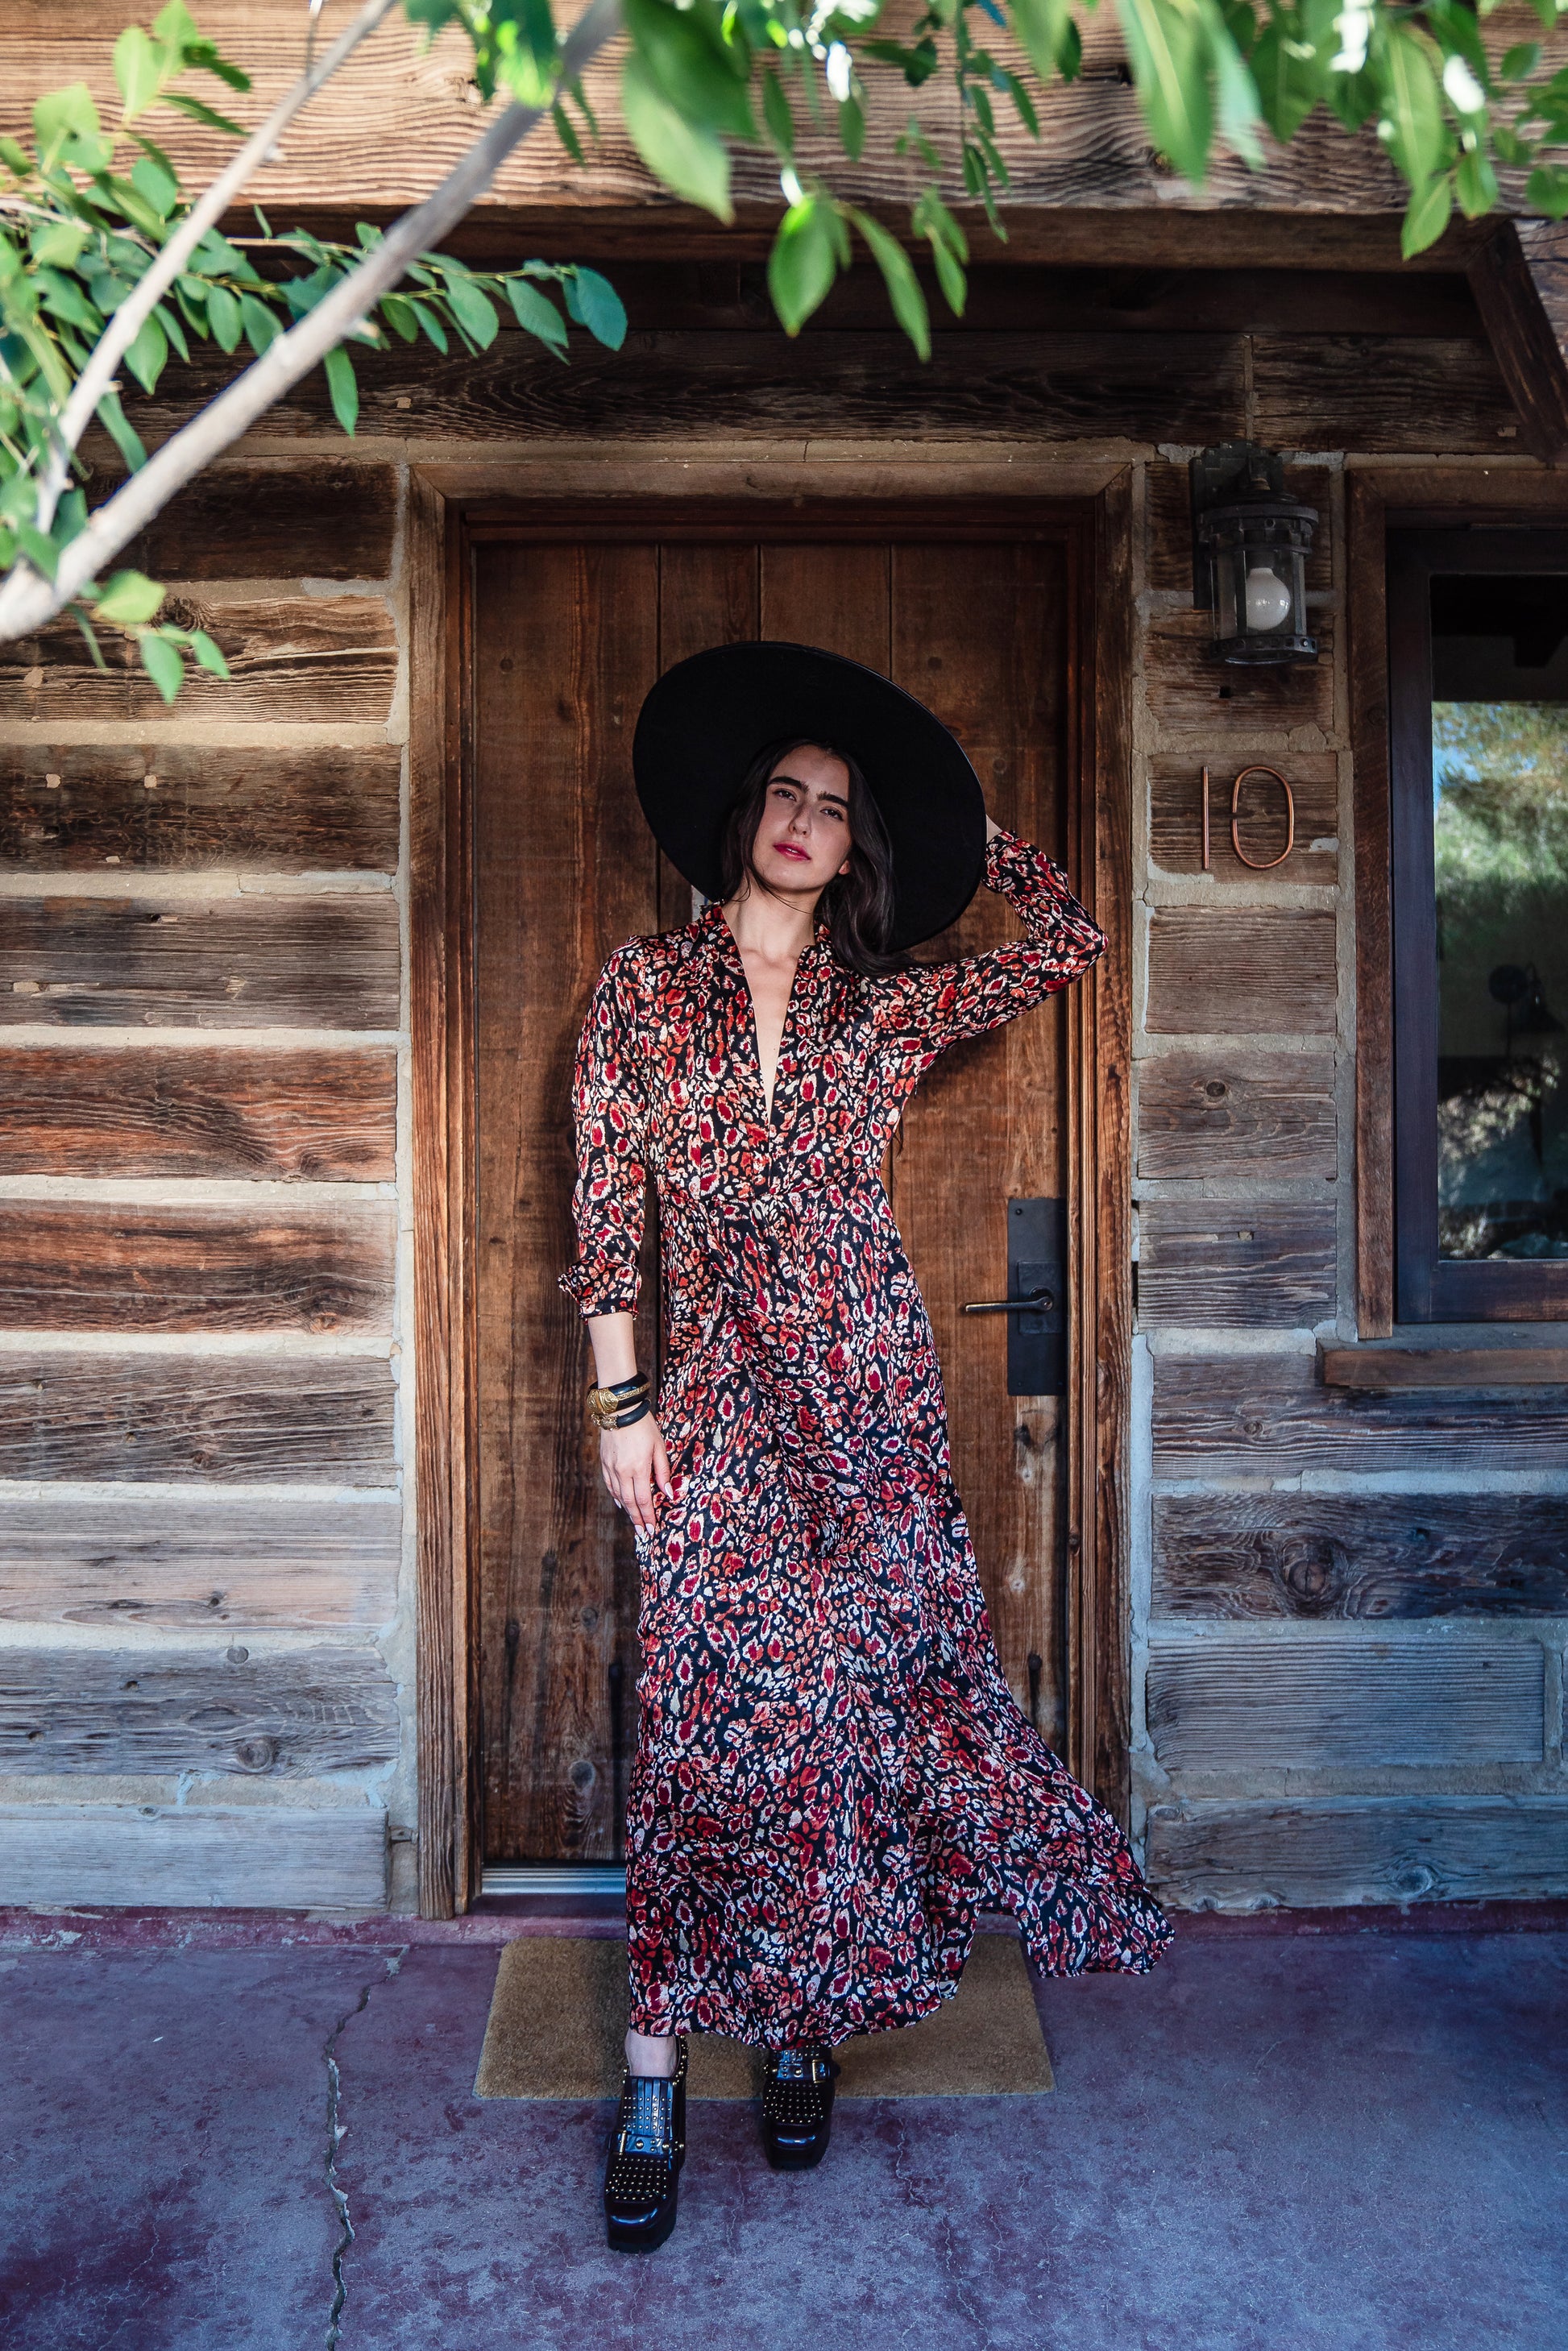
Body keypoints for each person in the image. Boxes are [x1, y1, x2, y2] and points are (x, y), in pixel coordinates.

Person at [560, 644, 1171, 2254]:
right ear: (740, 814)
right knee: (696, 1721)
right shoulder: (640, 990)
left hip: (870, 1402)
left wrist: (966, 824)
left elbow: (1069, 938)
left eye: (835, 808)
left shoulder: (886, 1015)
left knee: (837, 1724)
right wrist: (625, 1406)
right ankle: (652, 2077)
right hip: (717, 1404)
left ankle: (799, 2026)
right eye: (785, 792)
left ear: (854, 850)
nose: (803, 820)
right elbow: (603, 1211)